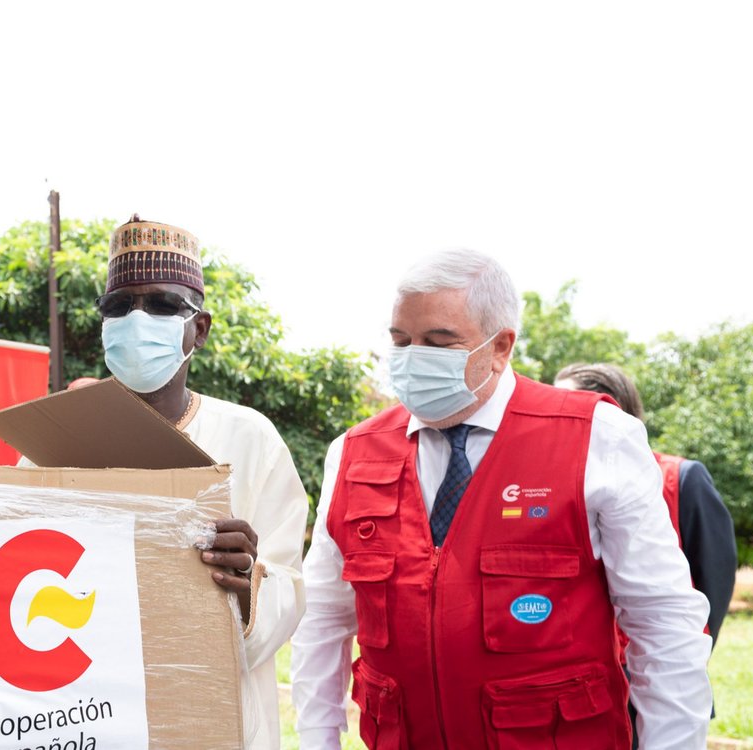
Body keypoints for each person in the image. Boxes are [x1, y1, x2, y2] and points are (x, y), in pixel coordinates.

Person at [289, 249, 712, 749]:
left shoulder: (595, 437)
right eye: (401, 340)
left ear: (501, 346)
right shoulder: (353, 453)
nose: (410, 358)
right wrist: (318, 740)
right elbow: (322, 620)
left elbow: (662, 620)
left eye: (438, 342)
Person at [37, 215, 309, 750]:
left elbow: (291, 594)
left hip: (209, 723)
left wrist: (248, 579)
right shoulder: (57, 438)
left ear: (199, 329)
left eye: (162, 305)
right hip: (86, 712)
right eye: (119, 306)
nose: (137, 320)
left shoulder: (250, 438)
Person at [555, 362, 737, 743]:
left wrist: (676, 666)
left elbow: (713, 582)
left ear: (611, 411)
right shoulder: (558, 487)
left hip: (649, 676)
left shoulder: (680, 477)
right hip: (583, 685)